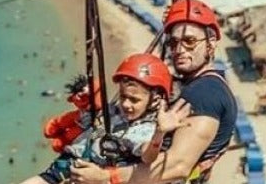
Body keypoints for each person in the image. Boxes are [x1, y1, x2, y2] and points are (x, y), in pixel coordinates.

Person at [69, 0, 237, 184]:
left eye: (190, 41)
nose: (179, 50)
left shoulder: (205, 93)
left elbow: (177, 166)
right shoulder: (200, 85)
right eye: (173, 43)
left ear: (211, 43)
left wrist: (106, 177)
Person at [20, 53, 190, 184]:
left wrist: (159, 133)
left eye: (135, 100)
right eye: (123, 96)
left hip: (91, 173)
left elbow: (147, 157)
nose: (126, 104)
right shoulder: (112, 110)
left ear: (154, 100)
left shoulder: (145, 129)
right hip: (68, 164)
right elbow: (91, 109)